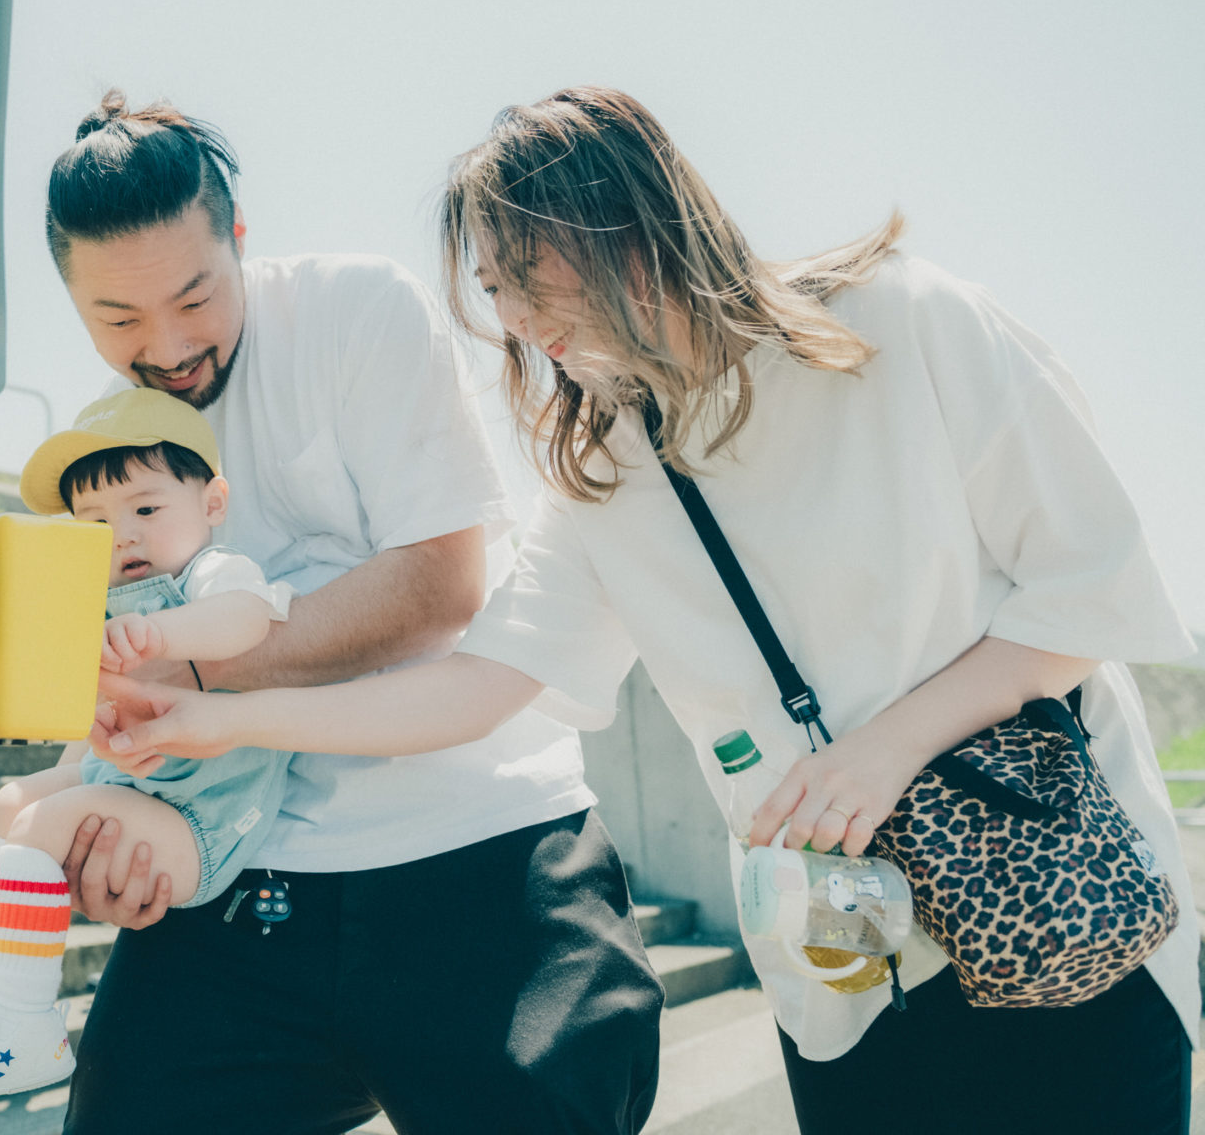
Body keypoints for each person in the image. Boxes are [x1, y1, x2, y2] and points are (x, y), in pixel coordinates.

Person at [101, 87, 1201, 1135]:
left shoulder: (901, 323)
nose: (514, 318)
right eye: (493, 288)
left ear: (628, 224)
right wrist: (219, 716)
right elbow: (477, 683)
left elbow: (1092, 586)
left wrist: (886, 751)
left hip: (1064, 915)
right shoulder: (603, 471)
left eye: (526, 273)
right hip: (852, 979)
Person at [48, 92, 664, 1135]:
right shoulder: (110, 440)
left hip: (476, 844)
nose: (168, 343)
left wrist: (188, 672)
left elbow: (435, 588)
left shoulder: (354, 311)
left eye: (195, 297)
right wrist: (112, 839)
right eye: (118, 320)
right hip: (243, 870)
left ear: (240, 239)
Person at [0, 387, 294, 1104]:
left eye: (145, 509)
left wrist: (161, 635)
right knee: (8, 803)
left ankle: (23, 1024)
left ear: (212, 501)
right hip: (132, 789)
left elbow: (247, 621)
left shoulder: (211, 574)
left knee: (42, 823)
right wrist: (76, 765)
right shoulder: (101, 598)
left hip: (200, 822)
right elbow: (89, 735)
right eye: (98, 522)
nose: (123, 536)